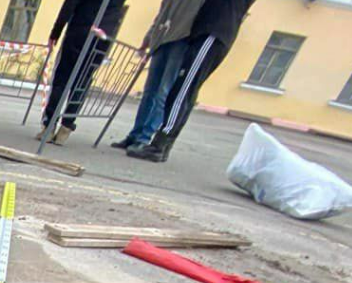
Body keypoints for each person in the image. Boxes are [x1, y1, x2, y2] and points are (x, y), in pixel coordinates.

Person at [127, 0, 256, 162]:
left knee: (182, 91)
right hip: (205, 34)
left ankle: (159, 145)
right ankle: (164, 145)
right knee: (185, 90)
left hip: (212, 33)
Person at [109, 0, 202, 150]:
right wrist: (148, 39)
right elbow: (161, 15)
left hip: (181, 41)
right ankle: (135, 135)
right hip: (160, 42)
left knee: (162, 94)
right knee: (149, 93)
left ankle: (145, 138)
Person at [39, 0, 129, 144]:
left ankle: (49, 126)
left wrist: (55, 33)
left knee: (61, 80)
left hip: (79, 31)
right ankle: (66, 127)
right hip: (101, 40)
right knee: (81, 83)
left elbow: (68, 6)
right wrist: (105, 32)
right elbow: (116, 12)